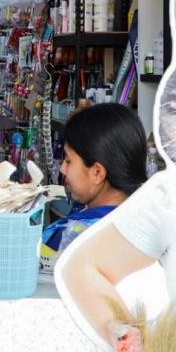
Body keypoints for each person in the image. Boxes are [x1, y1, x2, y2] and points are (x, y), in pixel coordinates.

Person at [41, 103, 147, 262]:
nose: (62, 169)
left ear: (97, 173)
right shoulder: (141, 222)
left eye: (68, 161)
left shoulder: (75, 240)